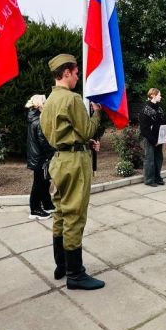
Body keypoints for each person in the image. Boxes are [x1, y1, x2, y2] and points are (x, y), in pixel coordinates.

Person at [40, 54, 103, 290]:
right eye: (76, 72)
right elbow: (86, 131)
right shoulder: (72, 99)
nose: (78, 76)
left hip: (58, 160)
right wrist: (97, 113)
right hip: (75, 162)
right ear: (66, 72)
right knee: (75, 215)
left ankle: (62, 265)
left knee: (60, 213)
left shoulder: (49, 101)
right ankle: (76, 274)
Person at [25, 94, 55, 220]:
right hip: (40, 158)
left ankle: (47, 204)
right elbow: (44, 142)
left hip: (36, 157)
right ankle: (34, 209)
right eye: (45, 101)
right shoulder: (39, 121)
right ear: (40, 104)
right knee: (39, 183)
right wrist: (53, 152)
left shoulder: (33, 118)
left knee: (44, 181)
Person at [139, 88, 166, 186]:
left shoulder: (159, 108)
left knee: (159, 159)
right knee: (150, 160)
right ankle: (149, 180)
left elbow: (162, 123)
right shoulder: (145, 109)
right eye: (159, 95)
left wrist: (163, 137)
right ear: (153, 95)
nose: (160, 97)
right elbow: (144, 128)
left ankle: (157, 177)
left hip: (159, 139)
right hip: (150, 139)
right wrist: (154, 141)